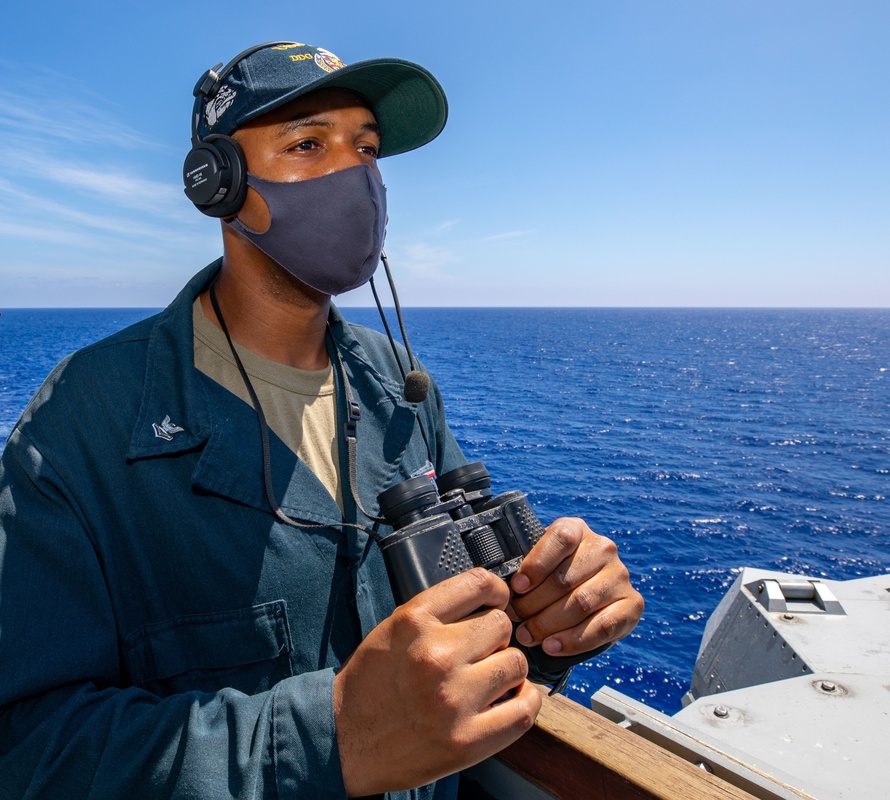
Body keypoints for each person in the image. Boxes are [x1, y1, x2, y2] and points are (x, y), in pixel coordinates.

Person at [0, 41, 643, 799]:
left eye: (366, 148)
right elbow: (28, 746)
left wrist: (548, 623)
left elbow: (470, 631)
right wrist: (333, 735)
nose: (357, 176)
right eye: (309, 143)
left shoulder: (397, 387)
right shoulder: (86, 415)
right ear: (218, 182)